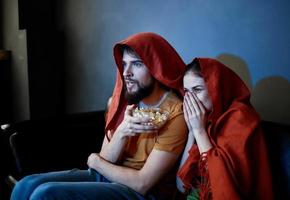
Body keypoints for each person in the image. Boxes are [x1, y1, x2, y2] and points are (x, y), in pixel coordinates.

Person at [10, 32, 188, 200]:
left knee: (46, 194)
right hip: (109, 175)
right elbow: (107, 158)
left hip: (139, 192)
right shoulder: (127, 100)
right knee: (26, 185)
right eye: (124, 64)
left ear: (157, 67)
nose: (126, 72)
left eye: (137, 64)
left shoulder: (175, 113)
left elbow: (143, 184)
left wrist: (94, 160)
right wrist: (122, 132)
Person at [176, 58, 273, 200]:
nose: (190, 99)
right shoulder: (205, 120)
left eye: (197, 90)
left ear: (216, 87)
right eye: (186, 92)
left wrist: (199, 131)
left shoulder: (241, 118)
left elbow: (223, 191)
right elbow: (181, 186)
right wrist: (192, 131)